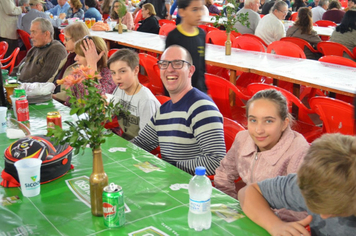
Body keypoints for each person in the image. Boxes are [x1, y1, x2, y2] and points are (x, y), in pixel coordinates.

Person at [214, 89, 309, 221]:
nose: (259, 130)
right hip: (248, 212)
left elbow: (301, 208)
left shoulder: (299, 152)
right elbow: (224, 174)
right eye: (253, 120)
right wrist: (231, 205)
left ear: (284, 123)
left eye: (268, 121)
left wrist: (265, 218)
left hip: (277, 223)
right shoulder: (242, 138)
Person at [132, 45, 226, 176]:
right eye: (164, 64)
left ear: (190, 71)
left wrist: (170, 167)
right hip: (168, 180)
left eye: (178, 63)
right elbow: (141, 143)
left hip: (189, 188)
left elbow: (217, 161)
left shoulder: (201, 108)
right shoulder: (164, 110)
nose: (169, 69)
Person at [239, 133, 356, 235]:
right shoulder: (318, 182)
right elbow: (249, 192)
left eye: (334, 210)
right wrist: (274, 225)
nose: (323, 216)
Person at [106, 49, 160, 140]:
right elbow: (108, 116)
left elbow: (147, 139)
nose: (117, 77)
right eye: (113, 73)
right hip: (128, 140)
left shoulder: (146, 100)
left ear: (135, 70)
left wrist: (124, 147)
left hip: (143, 148)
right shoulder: (119, 90)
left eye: (122, 71)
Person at [165, 0, 207, 93]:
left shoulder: (201, 35)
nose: (199, 14)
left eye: (201, 9)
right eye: (194, 10)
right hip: (179, 92)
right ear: (181, 12)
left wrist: (204, 91)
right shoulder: (173, 37)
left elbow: (201, 67)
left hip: (197, 91)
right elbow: (168, 69)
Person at [11, 17, 67, 83]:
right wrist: (9, 80)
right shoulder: (35, 48)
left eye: (34, 32)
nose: (31, 36)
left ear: (46, 34)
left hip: (33, 91)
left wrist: (20, 84)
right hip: (21, 87)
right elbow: (18, 68)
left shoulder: (56, 50)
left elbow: (44, 79)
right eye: (31, 32)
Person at [51, 22, 90, 102]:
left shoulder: (83, 61)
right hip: (54, 96)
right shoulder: (69, 56)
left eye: (66, 39)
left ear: (77, 39)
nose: (64, 42)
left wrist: (52, 96)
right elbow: (53, 78)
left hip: (62, 102)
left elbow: (73, 93)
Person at [69, 36, 116, 101]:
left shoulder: (110, 75)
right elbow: (70, 101)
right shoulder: (79, 71)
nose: (75, 58)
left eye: (80, 55)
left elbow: (98, 103)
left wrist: (91, 67)